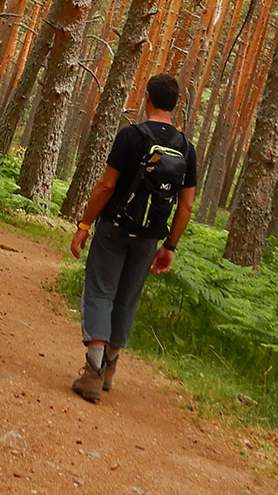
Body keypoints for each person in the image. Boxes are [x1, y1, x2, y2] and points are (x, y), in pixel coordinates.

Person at [66, 72, 196, 403]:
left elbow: (107, 185)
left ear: (147, 99)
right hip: (149, 237)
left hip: (114, 227)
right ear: (174, 105)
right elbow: (186, 206)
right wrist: (170, 246)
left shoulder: (131, 136)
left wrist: (84, 224)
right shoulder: (186, 148)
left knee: (100, 292)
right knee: (126, 299)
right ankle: (109, 369)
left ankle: (92, 375)